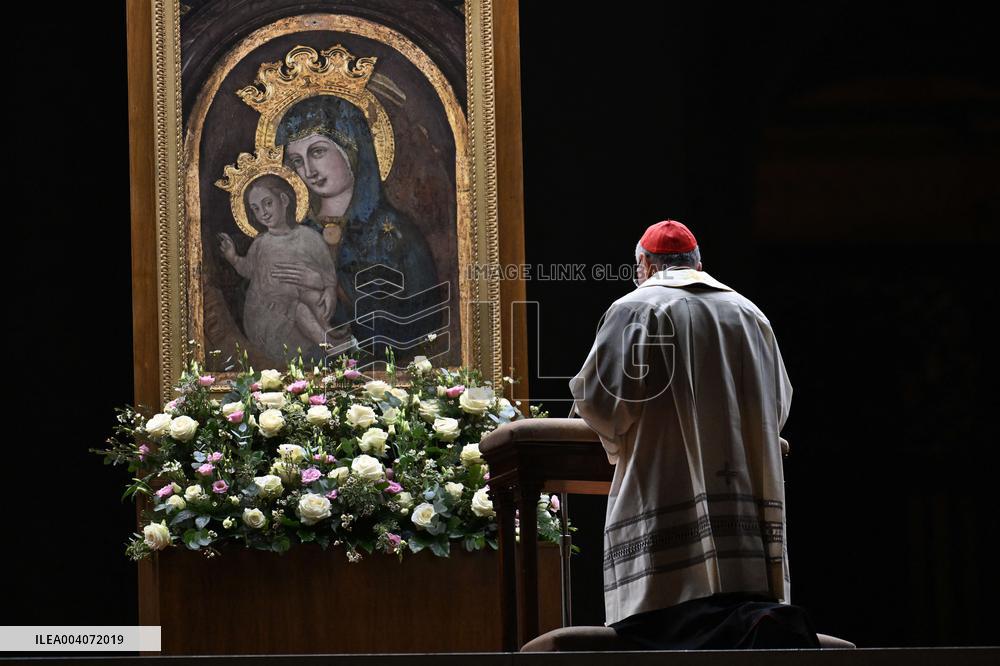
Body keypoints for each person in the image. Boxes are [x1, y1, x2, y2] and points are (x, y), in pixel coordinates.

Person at [563, 219, 821, 649]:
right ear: (699, 263)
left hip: (666, 516)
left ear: (643, 264)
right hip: (745, 536)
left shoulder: (635, 310)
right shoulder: (751, 315)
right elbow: (777, 409)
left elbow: (600, 406)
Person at [273, 95, 442, 361]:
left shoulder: (395, 233)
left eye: (317, 152)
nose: (308, 170)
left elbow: (422, 321)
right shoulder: (294, 234)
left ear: (352, 149)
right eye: (296, 160)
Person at [217, 174, 338, 364]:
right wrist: (233, 257)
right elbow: (248, 270)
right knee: (299, 308)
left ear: (283, 200)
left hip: (301, 309)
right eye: (256, 209)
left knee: (312, 298)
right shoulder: (261, 243)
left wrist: (329, 289)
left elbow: (328, 274)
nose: (263, 213)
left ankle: (330, 339)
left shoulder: (309, 238)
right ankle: (331, 346)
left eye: (267, 203)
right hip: (266, 316)